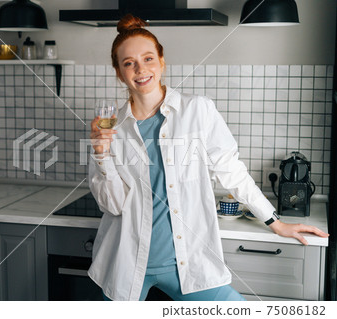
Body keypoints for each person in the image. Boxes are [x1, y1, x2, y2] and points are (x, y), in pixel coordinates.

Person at [88, 14, 329, 301]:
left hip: (188, 264)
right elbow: (113, 205)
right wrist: (101, 155)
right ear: (119, 72)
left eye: (148, 58)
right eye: (129, 63)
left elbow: (231, 171)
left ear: (162, 62)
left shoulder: (197, 110)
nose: (141, 69)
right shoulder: (109, 125)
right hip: (126, 263)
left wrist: (274, 222)